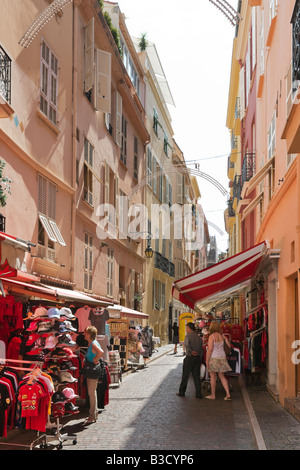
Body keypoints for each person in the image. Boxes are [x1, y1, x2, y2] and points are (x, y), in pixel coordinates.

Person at [205, 321, 232, 401]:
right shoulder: (222, 336)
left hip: (214, 358)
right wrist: (226, 339)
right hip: (222, 357)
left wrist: (207, 360)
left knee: (212, 377)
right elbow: (229, 347)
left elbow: (210, 349)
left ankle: (213, 395)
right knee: (222, 376)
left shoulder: (211, 337)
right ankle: (228, 394)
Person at [176, 322, 203, 399]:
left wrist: (191, 352)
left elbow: (187, 345)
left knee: (185, 375)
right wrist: (198, 356)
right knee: (196, 376)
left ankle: (182, 392)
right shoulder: (198, 337)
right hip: (197, 358)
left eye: (186, 328)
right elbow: (201, 348)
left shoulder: (188, 336)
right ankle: (198, 394)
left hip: (190, 358)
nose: (186, 330)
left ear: (189, 328)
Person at [83, 325, 104, 424]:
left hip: (92, 371)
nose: (84, 334)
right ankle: (94, 414)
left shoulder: (93, 344)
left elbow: (101, 352)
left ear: (90, 334)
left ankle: (92, 416)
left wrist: (95, 359)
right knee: (92, 393)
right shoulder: (92, 343)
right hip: (92, 370)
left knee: (91, 394)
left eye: (86, 332)